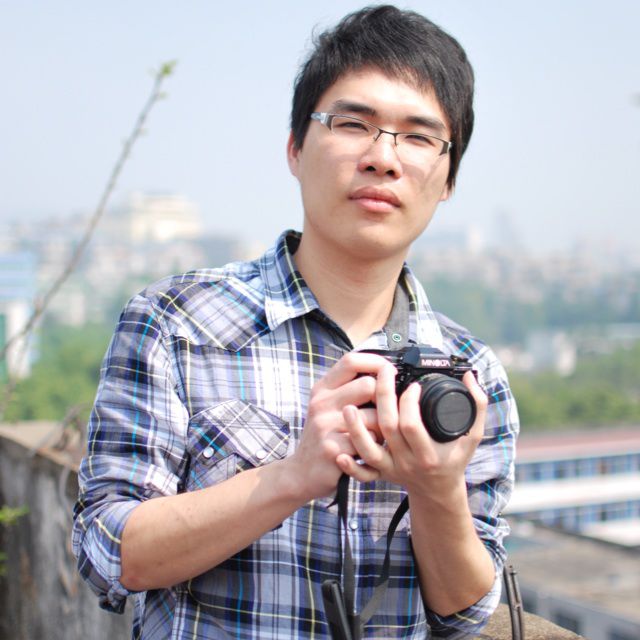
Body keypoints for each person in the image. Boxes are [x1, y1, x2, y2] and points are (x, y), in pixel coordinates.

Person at [72, 5, 519, 639]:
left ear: (448, 179)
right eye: (353, 123)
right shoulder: (177, 323)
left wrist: (437, 488)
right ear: (295, 148)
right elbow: (105, 554)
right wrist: (291, 476)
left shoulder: (472, 376)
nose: (383, 158)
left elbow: (465, 614)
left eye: (419, 137)